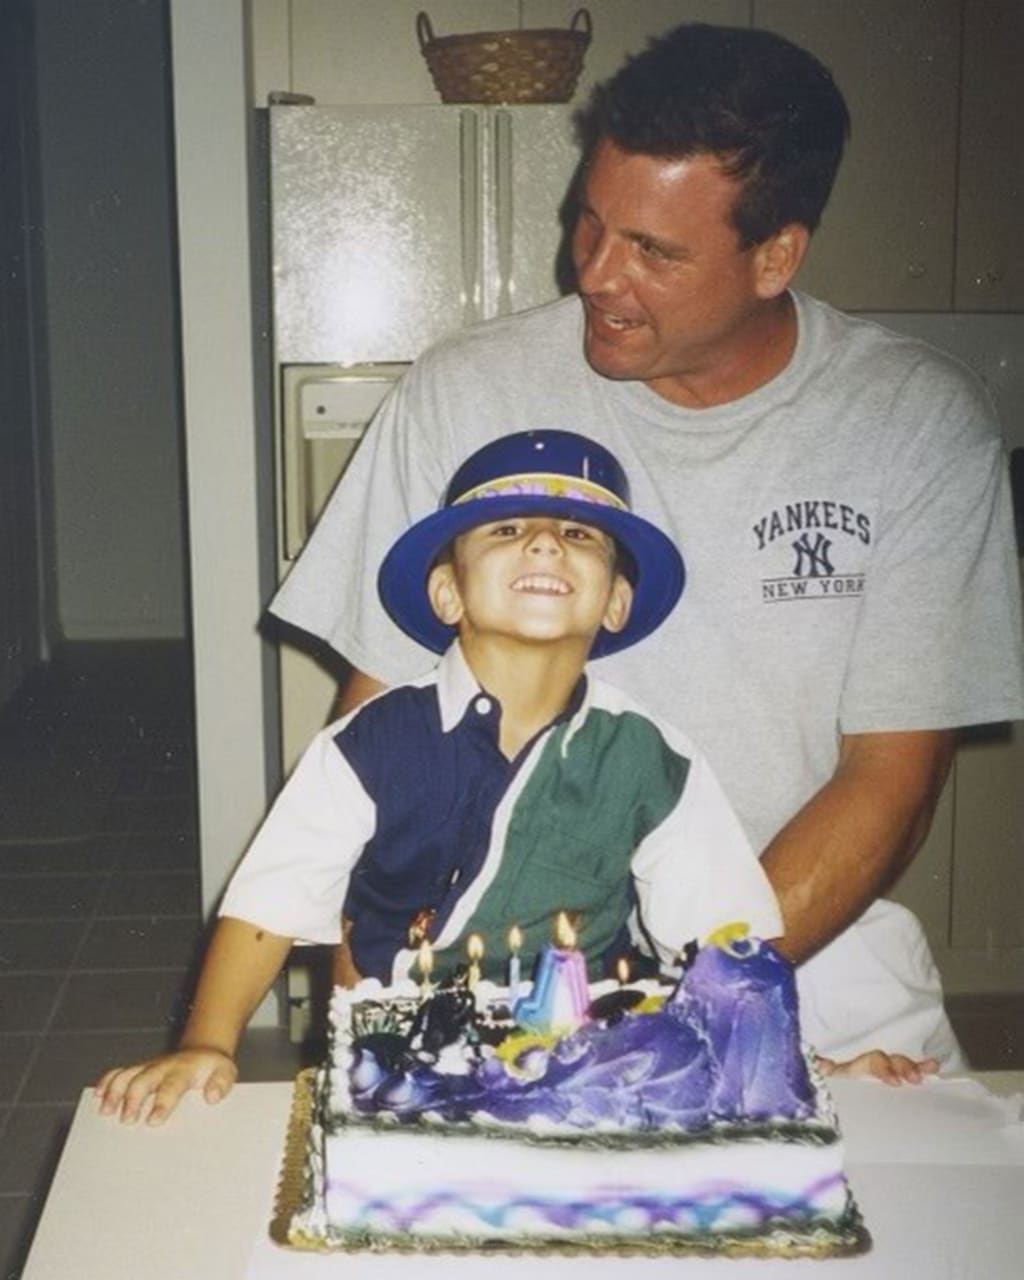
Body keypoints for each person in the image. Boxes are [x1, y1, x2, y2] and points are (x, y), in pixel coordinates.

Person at [267, 23, 1024, 1069]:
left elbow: (888, 782)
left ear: (776, 255)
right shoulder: (465, 392)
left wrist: (666, 1010)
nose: (594, 275)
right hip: (482, 953)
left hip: (797, 944)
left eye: (653, 251)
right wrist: (376, 1016)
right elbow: (376, 733)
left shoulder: (916, 424)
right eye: (590, 225)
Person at [96, 431, 931, 1125]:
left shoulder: (649, 755)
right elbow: (267, 909)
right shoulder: (370, 743)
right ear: (447, 591)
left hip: (590, 1065)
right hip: (406, 1069)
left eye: (580, 536)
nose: (543, 542)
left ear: (615, 604)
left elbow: (724, 942)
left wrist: (783, 1065)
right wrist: (209, 1041)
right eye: (506, 531)